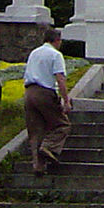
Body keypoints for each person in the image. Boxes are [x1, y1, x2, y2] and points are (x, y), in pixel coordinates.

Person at [23, 26, 72, 175]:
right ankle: (48, 147)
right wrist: (66, 100)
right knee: (62, 125)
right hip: (44, 93)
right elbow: (60, 79)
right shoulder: (55, 54)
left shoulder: (34, 53)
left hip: (29, 93)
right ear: (56, 41)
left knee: (35, 130)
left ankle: (38, 166)